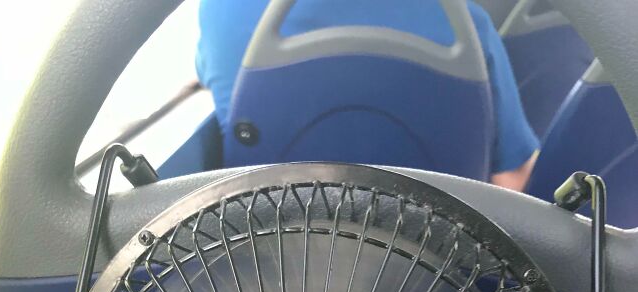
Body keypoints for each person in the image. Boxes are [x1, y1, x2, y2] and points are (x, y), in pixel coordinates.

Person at [195, 0, 539, 191]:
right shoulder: (464, 26)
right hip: (433, 274)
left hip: (266, 260)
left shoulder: (218, 10)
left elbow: (213, 80)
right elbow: (512, 176)